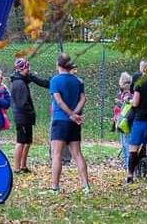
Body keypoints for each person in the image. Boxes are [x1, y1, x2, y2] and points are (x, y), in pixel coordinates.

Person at [48, 53, 90, 193]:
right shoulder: (77, 81)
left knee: (57, 154)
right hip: (73, 123)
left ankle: (55, 187)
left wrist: (71, 114)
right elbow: (83, 99)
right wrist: (76, 114)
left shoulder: (55, 80)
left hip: (60, 121)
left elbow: (59, 101)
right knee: (77, 154)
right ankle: (85, 186)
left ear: (58, 65)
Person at [9, 58, 51, 174]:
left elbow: (37, 80)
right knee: (21, 142)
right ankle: (16, 168)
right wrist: (30, 112)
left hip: (26, 117)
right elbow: (21, 104)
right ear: (21, 69)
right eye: (27, 68)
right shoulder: (18, 83)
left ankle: (23, 166)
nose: (29, 70)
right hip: (22, 117)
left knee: (28, 142)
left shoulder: (23, 79)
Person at [115, 72, 134, 169]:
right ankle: (127, 163)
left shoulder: (127, 94)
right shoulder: (126, 93)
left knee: (125, 144)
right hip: (124, 121)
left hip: (124, 121)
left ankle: (128, 164)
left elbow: (126, 106)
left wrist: (119, 103)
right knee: (125, 143)